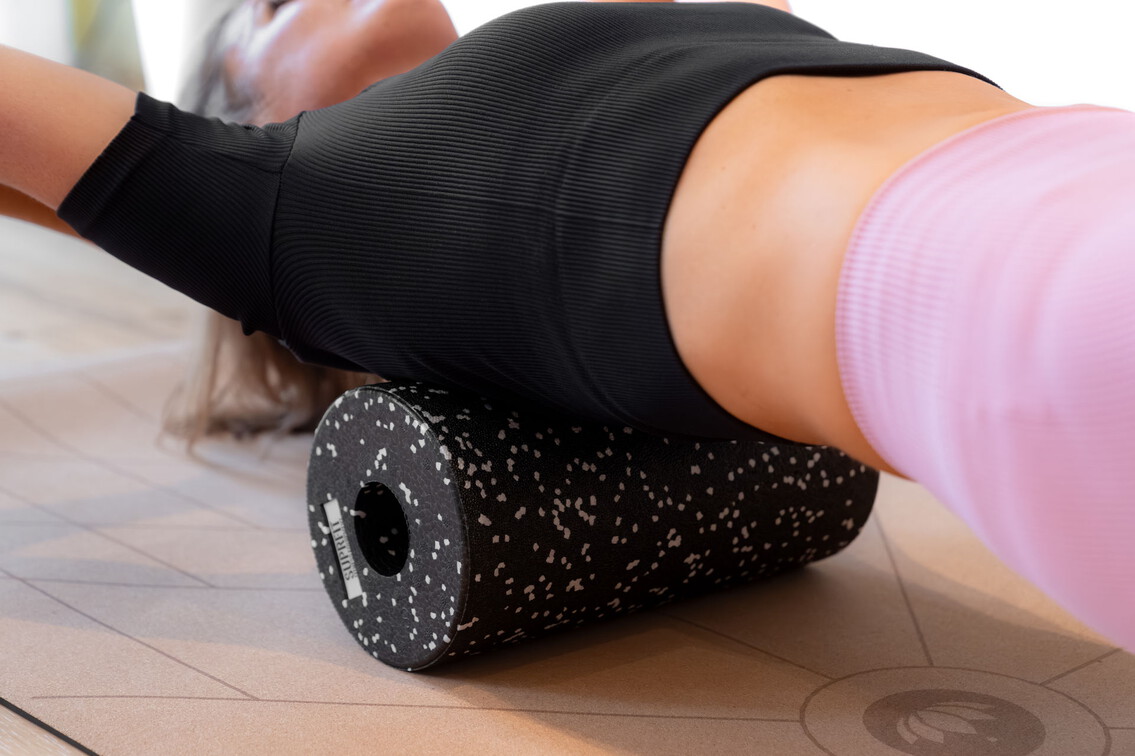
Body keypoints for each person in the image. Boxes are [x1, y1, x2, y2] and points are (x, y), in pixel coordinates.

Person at [1, 0, 1131, 651]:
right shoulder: (302, 216)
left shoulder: (583, 42)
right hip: (1030, 318)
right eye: (268, 3)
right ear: (239, 102)